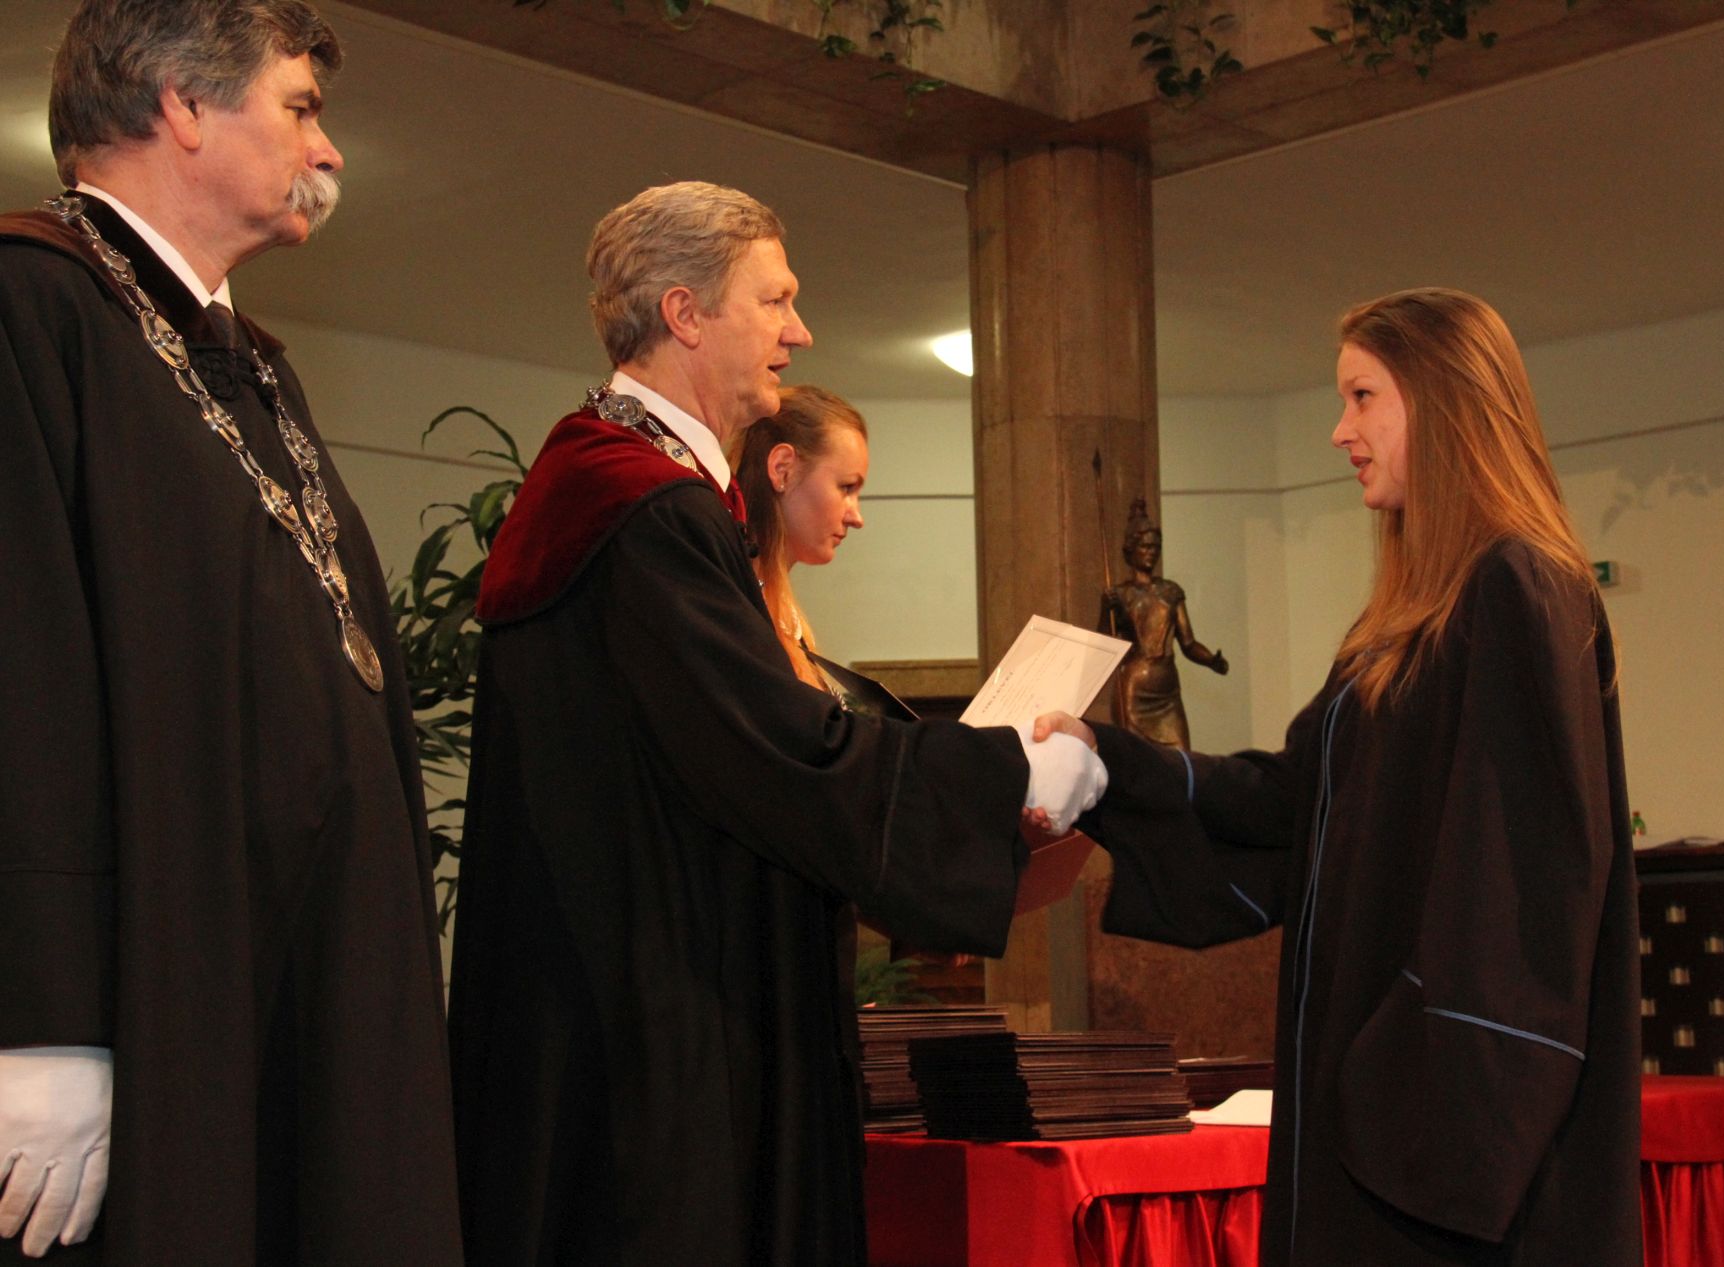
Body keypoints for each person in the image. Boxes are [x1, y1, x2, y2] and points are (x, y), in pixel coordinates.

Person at [447, 181, 1104, 1266]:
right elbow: (781, 756)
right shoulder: (643, 506)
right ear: (685, 313)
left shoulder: (616, 488)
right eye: (776, 300)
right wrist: (1013, 771)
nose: (799, 332)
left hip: (623, 1014)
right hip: (660, 1046)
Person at [1035, 288, 1640, 1265]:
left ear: (1441, 401)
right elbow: (1291, 804)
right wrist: (1106, 765)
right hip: (1374, 1112)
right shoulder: (1400, 626)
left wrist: (1402, 1072)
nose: (1338, 431)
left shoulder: (1518, 586)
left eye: (1362, 397)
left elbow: (1527, 883)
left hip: (1444, 1146)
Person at [0, 2, 461, 1263]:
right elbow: (22, 669)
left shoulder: (248, 362)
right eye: (300, 109)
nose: (330, 150)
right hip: (155, 985)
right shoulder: (29, 305)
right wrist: (41, 1018)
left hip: (305, 972)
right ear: (184, 106)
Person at [731, 384, 869, 693]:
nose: (856, 518)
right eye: (846, 487)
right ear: (782, 469)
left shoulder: (777, 606)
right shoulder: (739, 602)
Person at [1099, 497, 1229, 749]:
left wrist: (1211, 660)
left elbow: (1188, 644)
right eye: (1145, 546)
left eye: (1155, 547)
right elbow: (1105, 644)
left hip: (1167, 689)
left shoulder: (1171, 591)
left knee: (1181, 755)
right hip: (1134, 689)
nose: (1151, 552)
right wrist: (1107, 610)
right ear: (1131, 550)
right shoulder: (1120, 595)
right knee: (1138, 759)